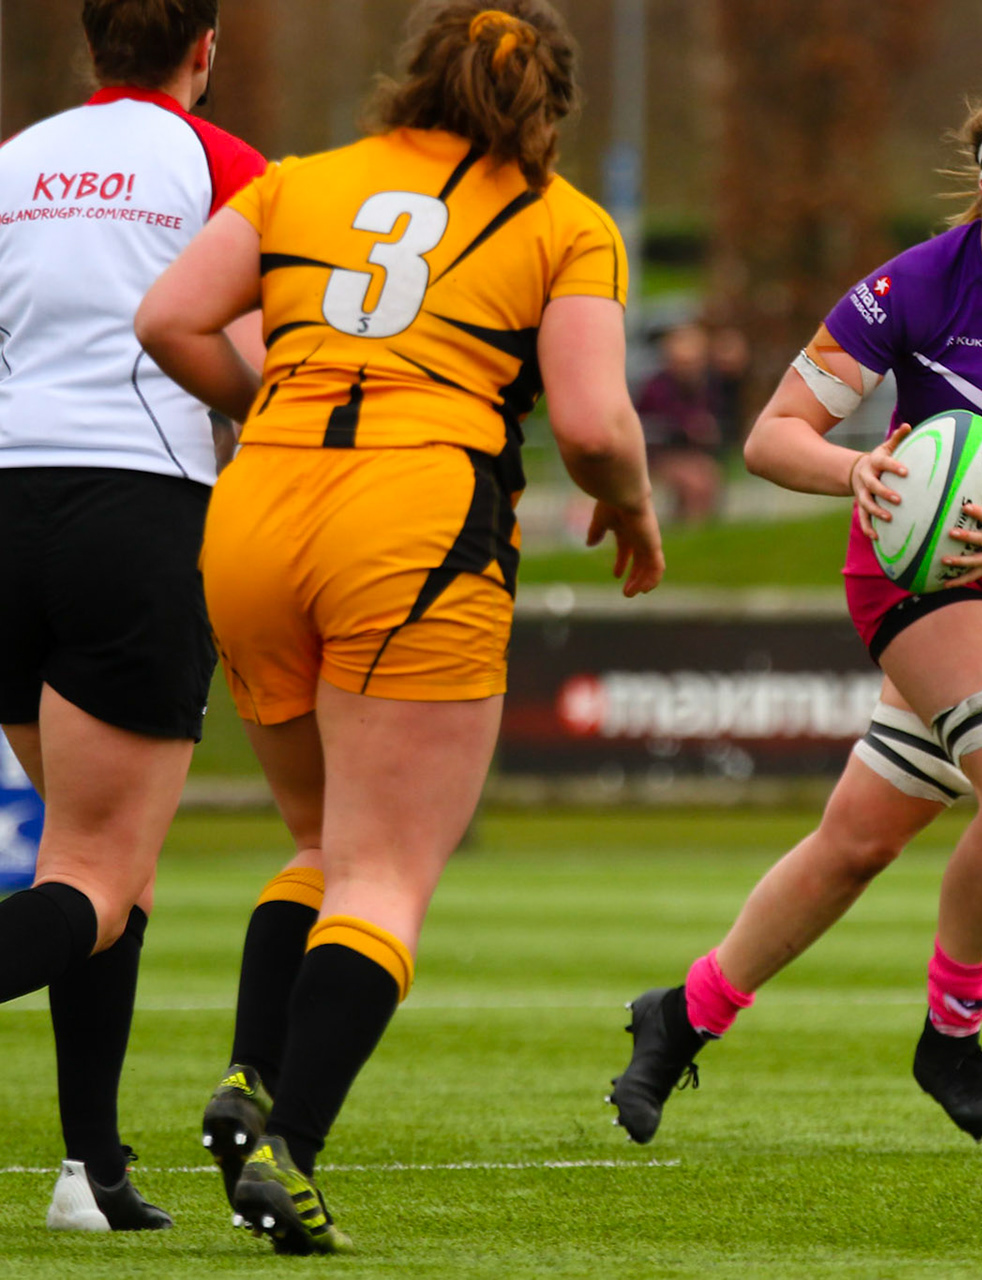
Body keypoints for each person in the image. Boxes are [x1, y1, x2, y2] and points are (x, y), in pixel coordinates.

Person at [136, 0, 662, 1253]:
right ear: (549, 106)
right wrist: (633, 510)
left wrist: (282, 400)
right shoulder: (564, 220)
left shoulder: (303, 183)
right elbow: (591, 425)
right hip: (417, 516)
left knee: (324, 837)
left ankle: (253, 1075)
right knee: (386, 872)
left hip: (259, 508)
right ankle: (292, 1149)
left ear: (412, 75)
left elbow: (166, 321)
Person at [608, 79, 982, 1145]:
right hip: (914, 571)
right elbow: (772, 435)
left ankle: (682, 1013)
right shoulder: (908, 288)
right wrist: (861, 467)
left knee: (858, 841)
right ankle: (952, 1036)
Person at [0, 0, 264, 1232]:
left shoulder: (13, 160)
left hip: (4, 506)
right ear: (204, 48)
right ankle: (89, 1170)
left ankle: (90, 1171)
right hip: (134, 512)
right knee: (101, 875)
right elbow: (265, 353)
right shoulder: (227, 169)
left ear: (88, 44)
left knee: (96, 861)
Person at [636, 323, 724, 523]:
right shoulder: (655, 387)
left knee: (708, 476)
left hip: (692, 455)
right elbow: (650, 423)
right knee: (694, 482)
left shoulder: (705, 386)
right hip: (660, 456)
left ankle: (696, 528)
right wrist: (687, 427)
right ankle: (692, 529)